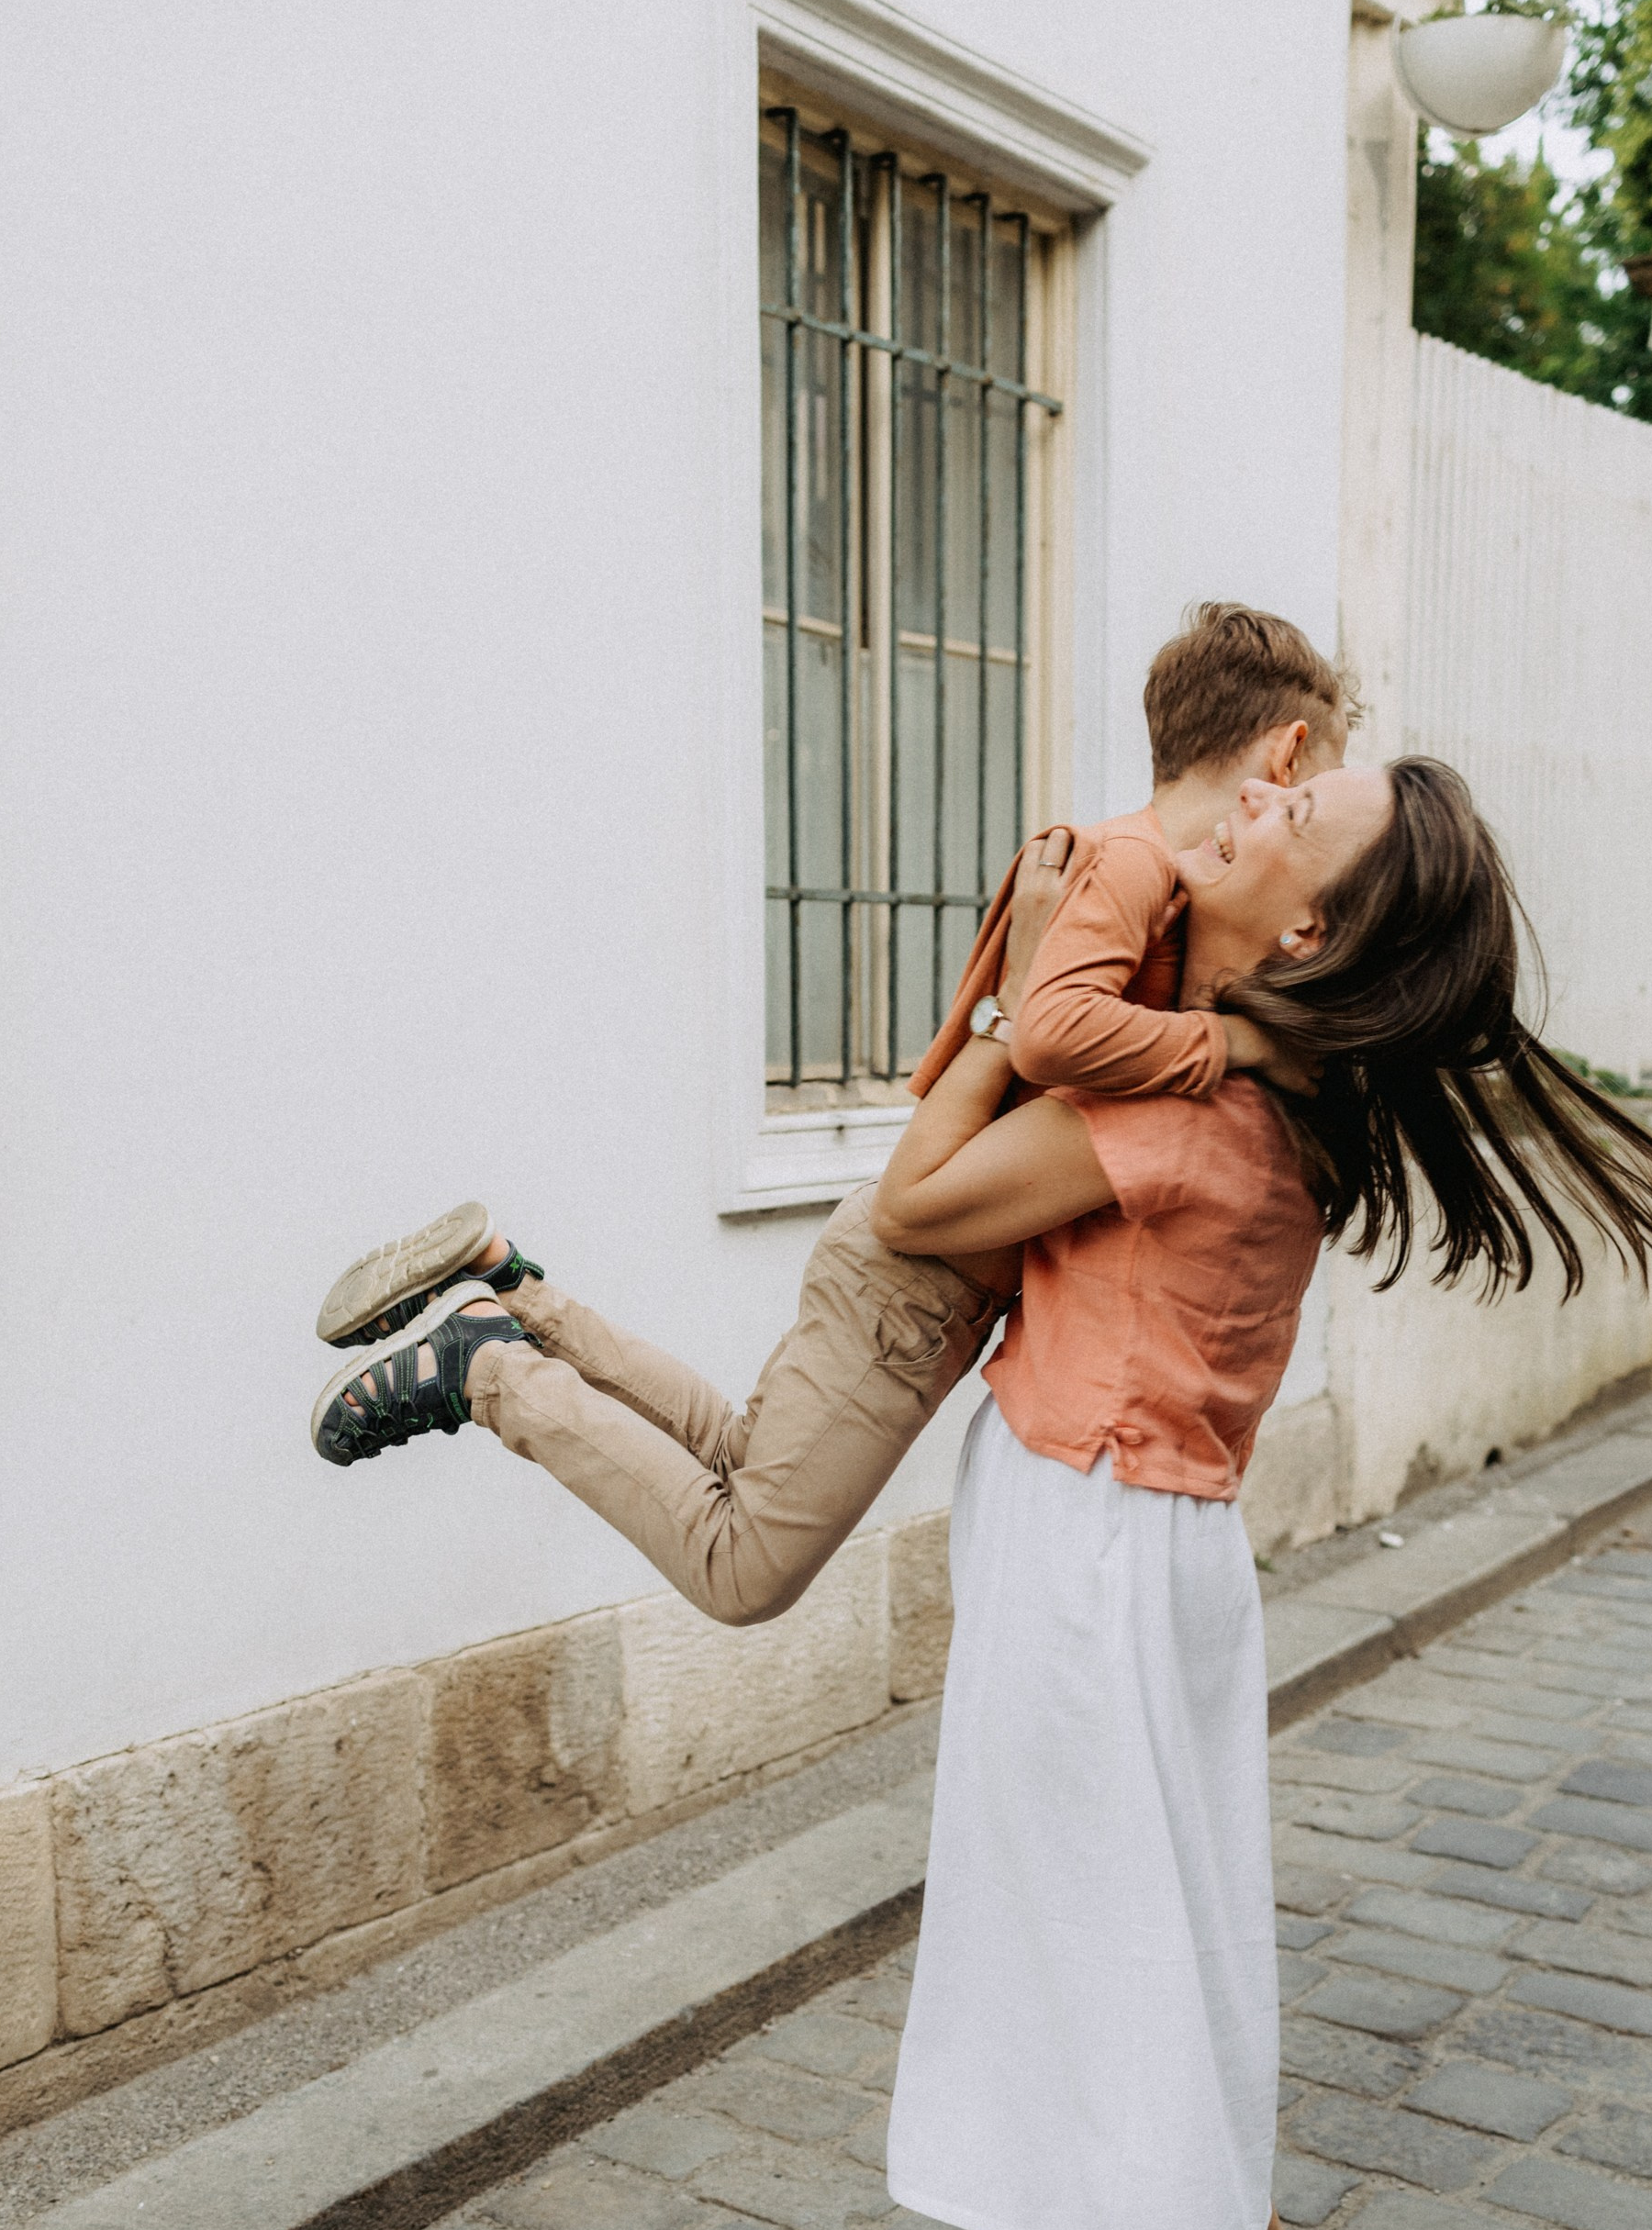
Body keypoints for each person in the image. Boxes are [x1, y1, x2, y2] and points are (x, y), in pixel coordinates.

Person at [864, 754, 1652, 2230]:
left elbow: (914, 1206)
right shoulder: (1289, 1096)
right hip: (1152, 1543)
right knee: (1162, 1913)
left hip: (1093, 1549)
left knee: (1118, 1953)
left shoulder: (1180, 1112)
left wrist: (1027, 1004)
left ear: (1306, 928)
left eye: (1282, 819)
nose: (1246, 807)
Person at [308, 604, 1354, 1621]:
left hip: (931, 1261)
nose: (1306, 815)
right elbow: (1049, 1038)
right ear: (1286, 752)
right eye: (1326, 783)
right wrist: (1231, 1043)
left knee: (730, 1462)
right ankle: (485, 1373)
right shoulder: (1134, 867)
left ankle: (512, 1295)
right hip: (926, 1273)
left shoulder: (1143, 877)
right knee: (742, 1568)